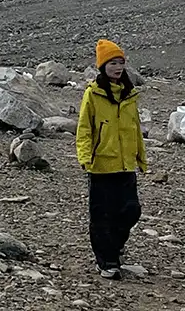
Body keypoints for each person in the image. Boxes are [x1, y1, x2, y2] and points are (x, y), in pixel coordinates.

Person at [76, 39, 147, 280]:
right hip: (101, 165)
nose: (117, 67)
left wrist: (141, 156)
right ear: (102, 66)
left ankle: (115, 246)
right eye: (112, 63)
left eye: (121, 63)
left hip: (126, 164)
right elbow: (84, 128)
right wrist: (85, 157)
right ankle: (106, 260)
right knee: (102, 215)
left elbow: (134, 128)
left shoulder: (130, 94)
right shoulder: (92, 94)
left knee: (131, 210)